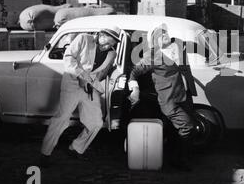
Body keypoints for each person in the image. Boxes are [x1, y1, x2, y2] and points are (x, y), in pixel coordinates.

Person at [40, 26, 121, 167]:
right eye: (109, 40)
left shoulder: (112, 54)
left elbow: (102, 73)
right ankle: (45, 153)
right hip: (72, 83)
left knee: (96, 123)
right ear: (101, 34)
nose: (110, 44)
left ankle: (76, 148)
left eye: (113, 42)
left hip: (90, 88)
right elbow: (69, 57)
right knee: (62, 118)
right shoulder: (83, 38)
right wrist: (81, 75)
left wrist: (96, 81)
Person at [128, 23, 197, 171]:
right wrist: (134, 88)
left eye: (165, 32)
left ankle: (171, 157)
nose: (164, 35)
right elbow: (134, 72)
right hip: (169, 99)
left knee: (175, 130)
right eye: (160, 34)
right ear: (154, 40)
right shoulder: (152, 55)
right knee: (187, 127)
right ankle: (179, 160)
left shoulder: (178, 47)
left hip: (185, 95)